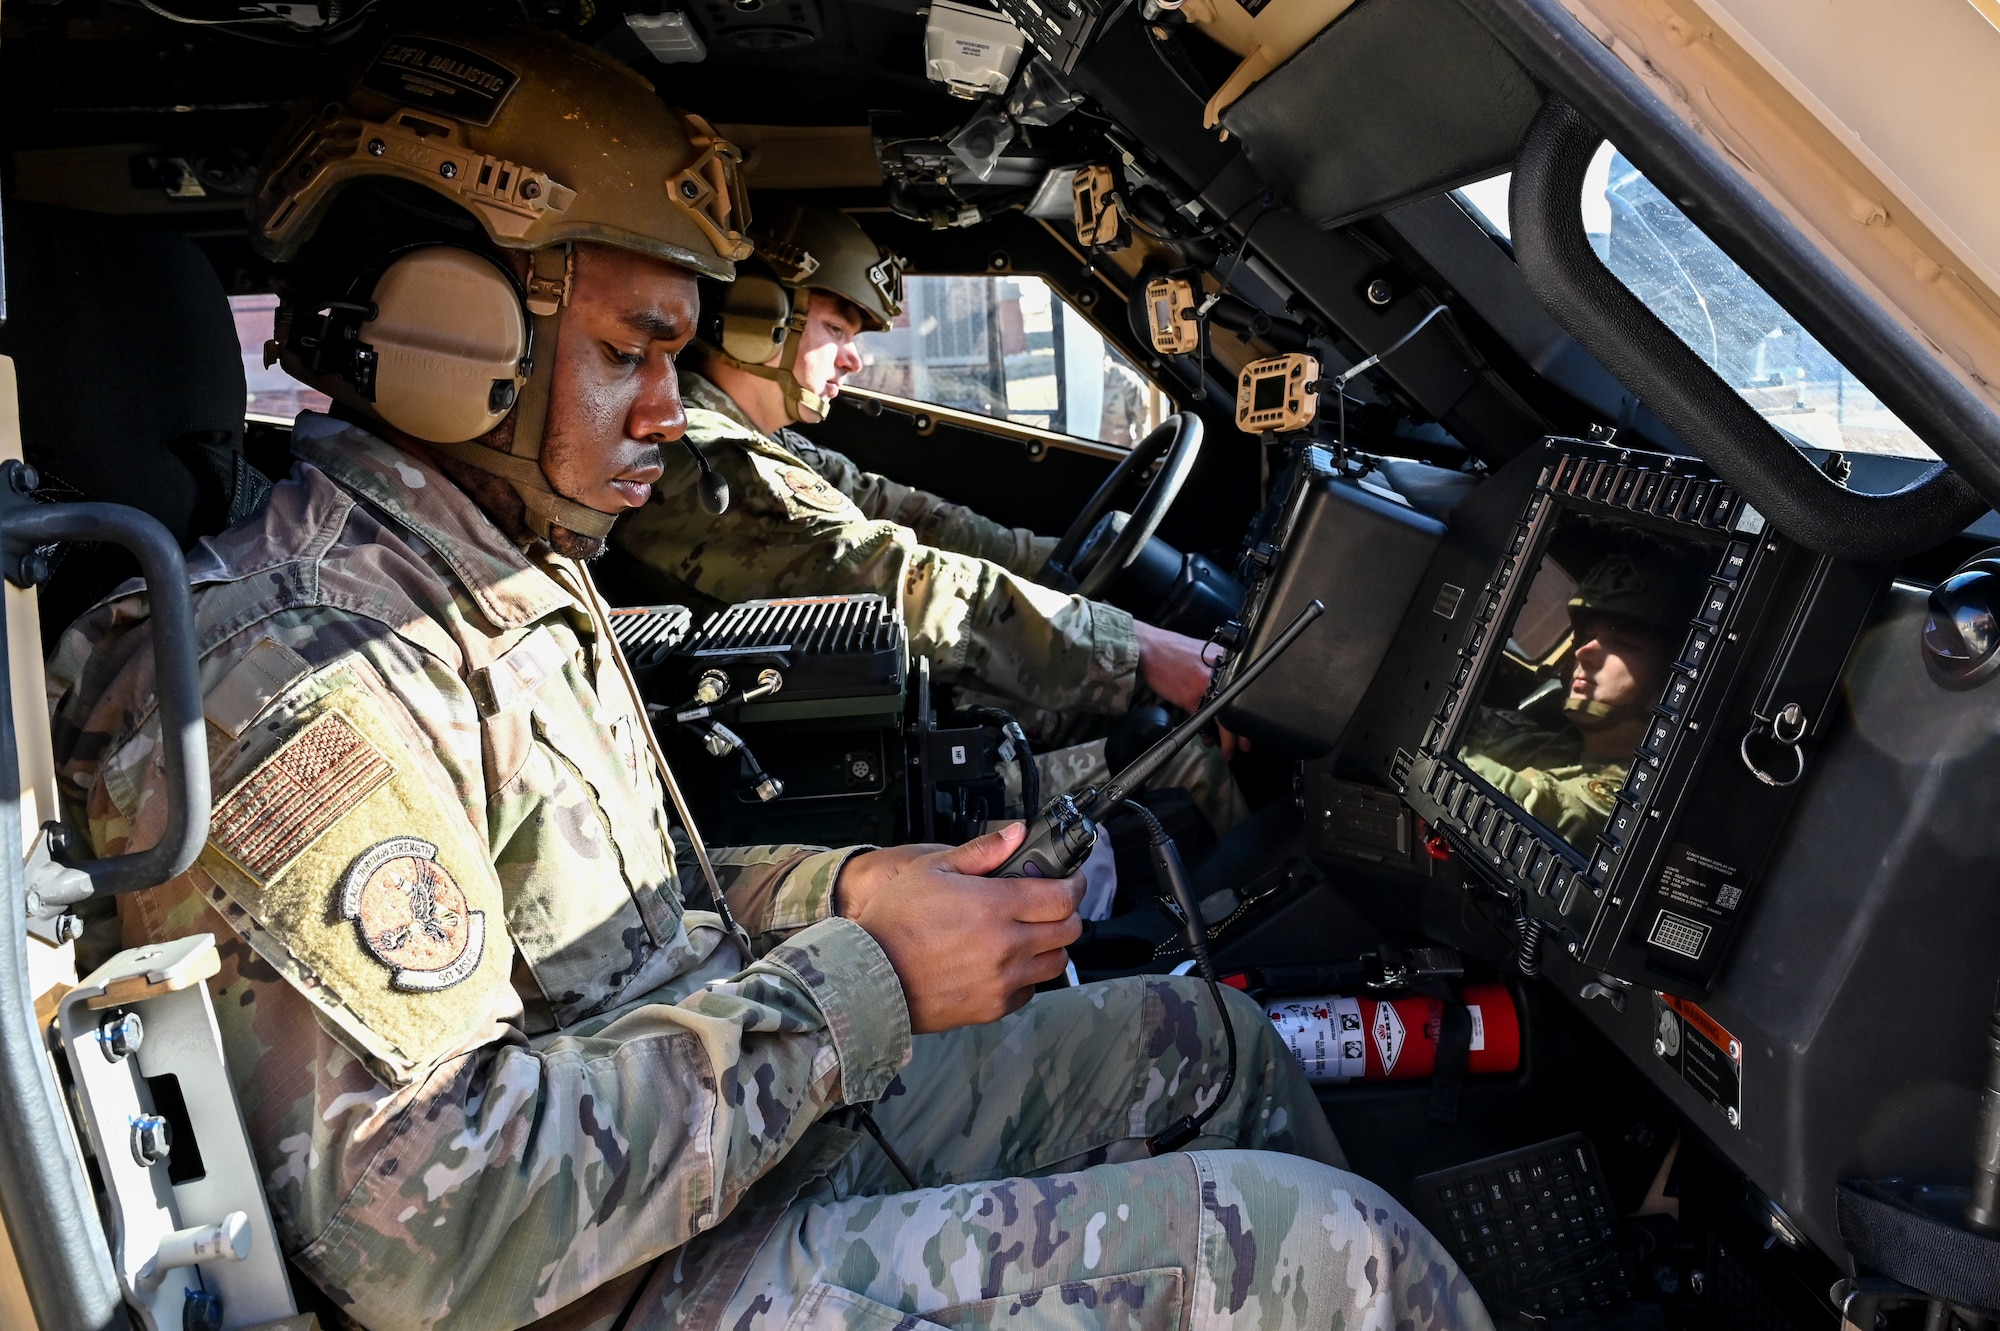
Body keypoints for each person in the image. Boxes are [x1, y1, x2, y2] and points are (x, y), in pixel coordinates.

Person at [46, 30, 1485, 1331]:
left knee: (1206, 1043)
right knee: (1327, 1257)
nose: (671, 412)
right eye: (632, 352)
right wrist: (866, 985)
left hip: (692, 1162)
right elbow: (434, 1232)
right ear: (450, 330)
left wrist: (848, 896)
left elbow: (602, 934)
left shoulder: (492, 579)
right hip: (592, 1285)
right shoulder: (291, 679)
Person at [611, 203, 1246, 832]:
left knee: (1126, 710)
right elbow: (889, 577)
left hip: (877, 722)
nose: (853, 359)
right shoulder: (708, 459)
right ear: (759, 320)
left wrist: (1055, 565)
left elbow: (916, 517)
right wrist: (1143, 649)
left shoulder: (765, 440)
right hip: (813, 777)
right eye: (837, 329)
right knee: (1186, 765)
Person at [1459, 547, 1685, 846]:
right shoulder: (1555, 747)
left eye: (1622, 643)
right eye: (1588, 636)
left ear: (1667, 683)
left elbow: (1536, 805)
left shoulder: (1628, 798)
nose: (1584, 651)